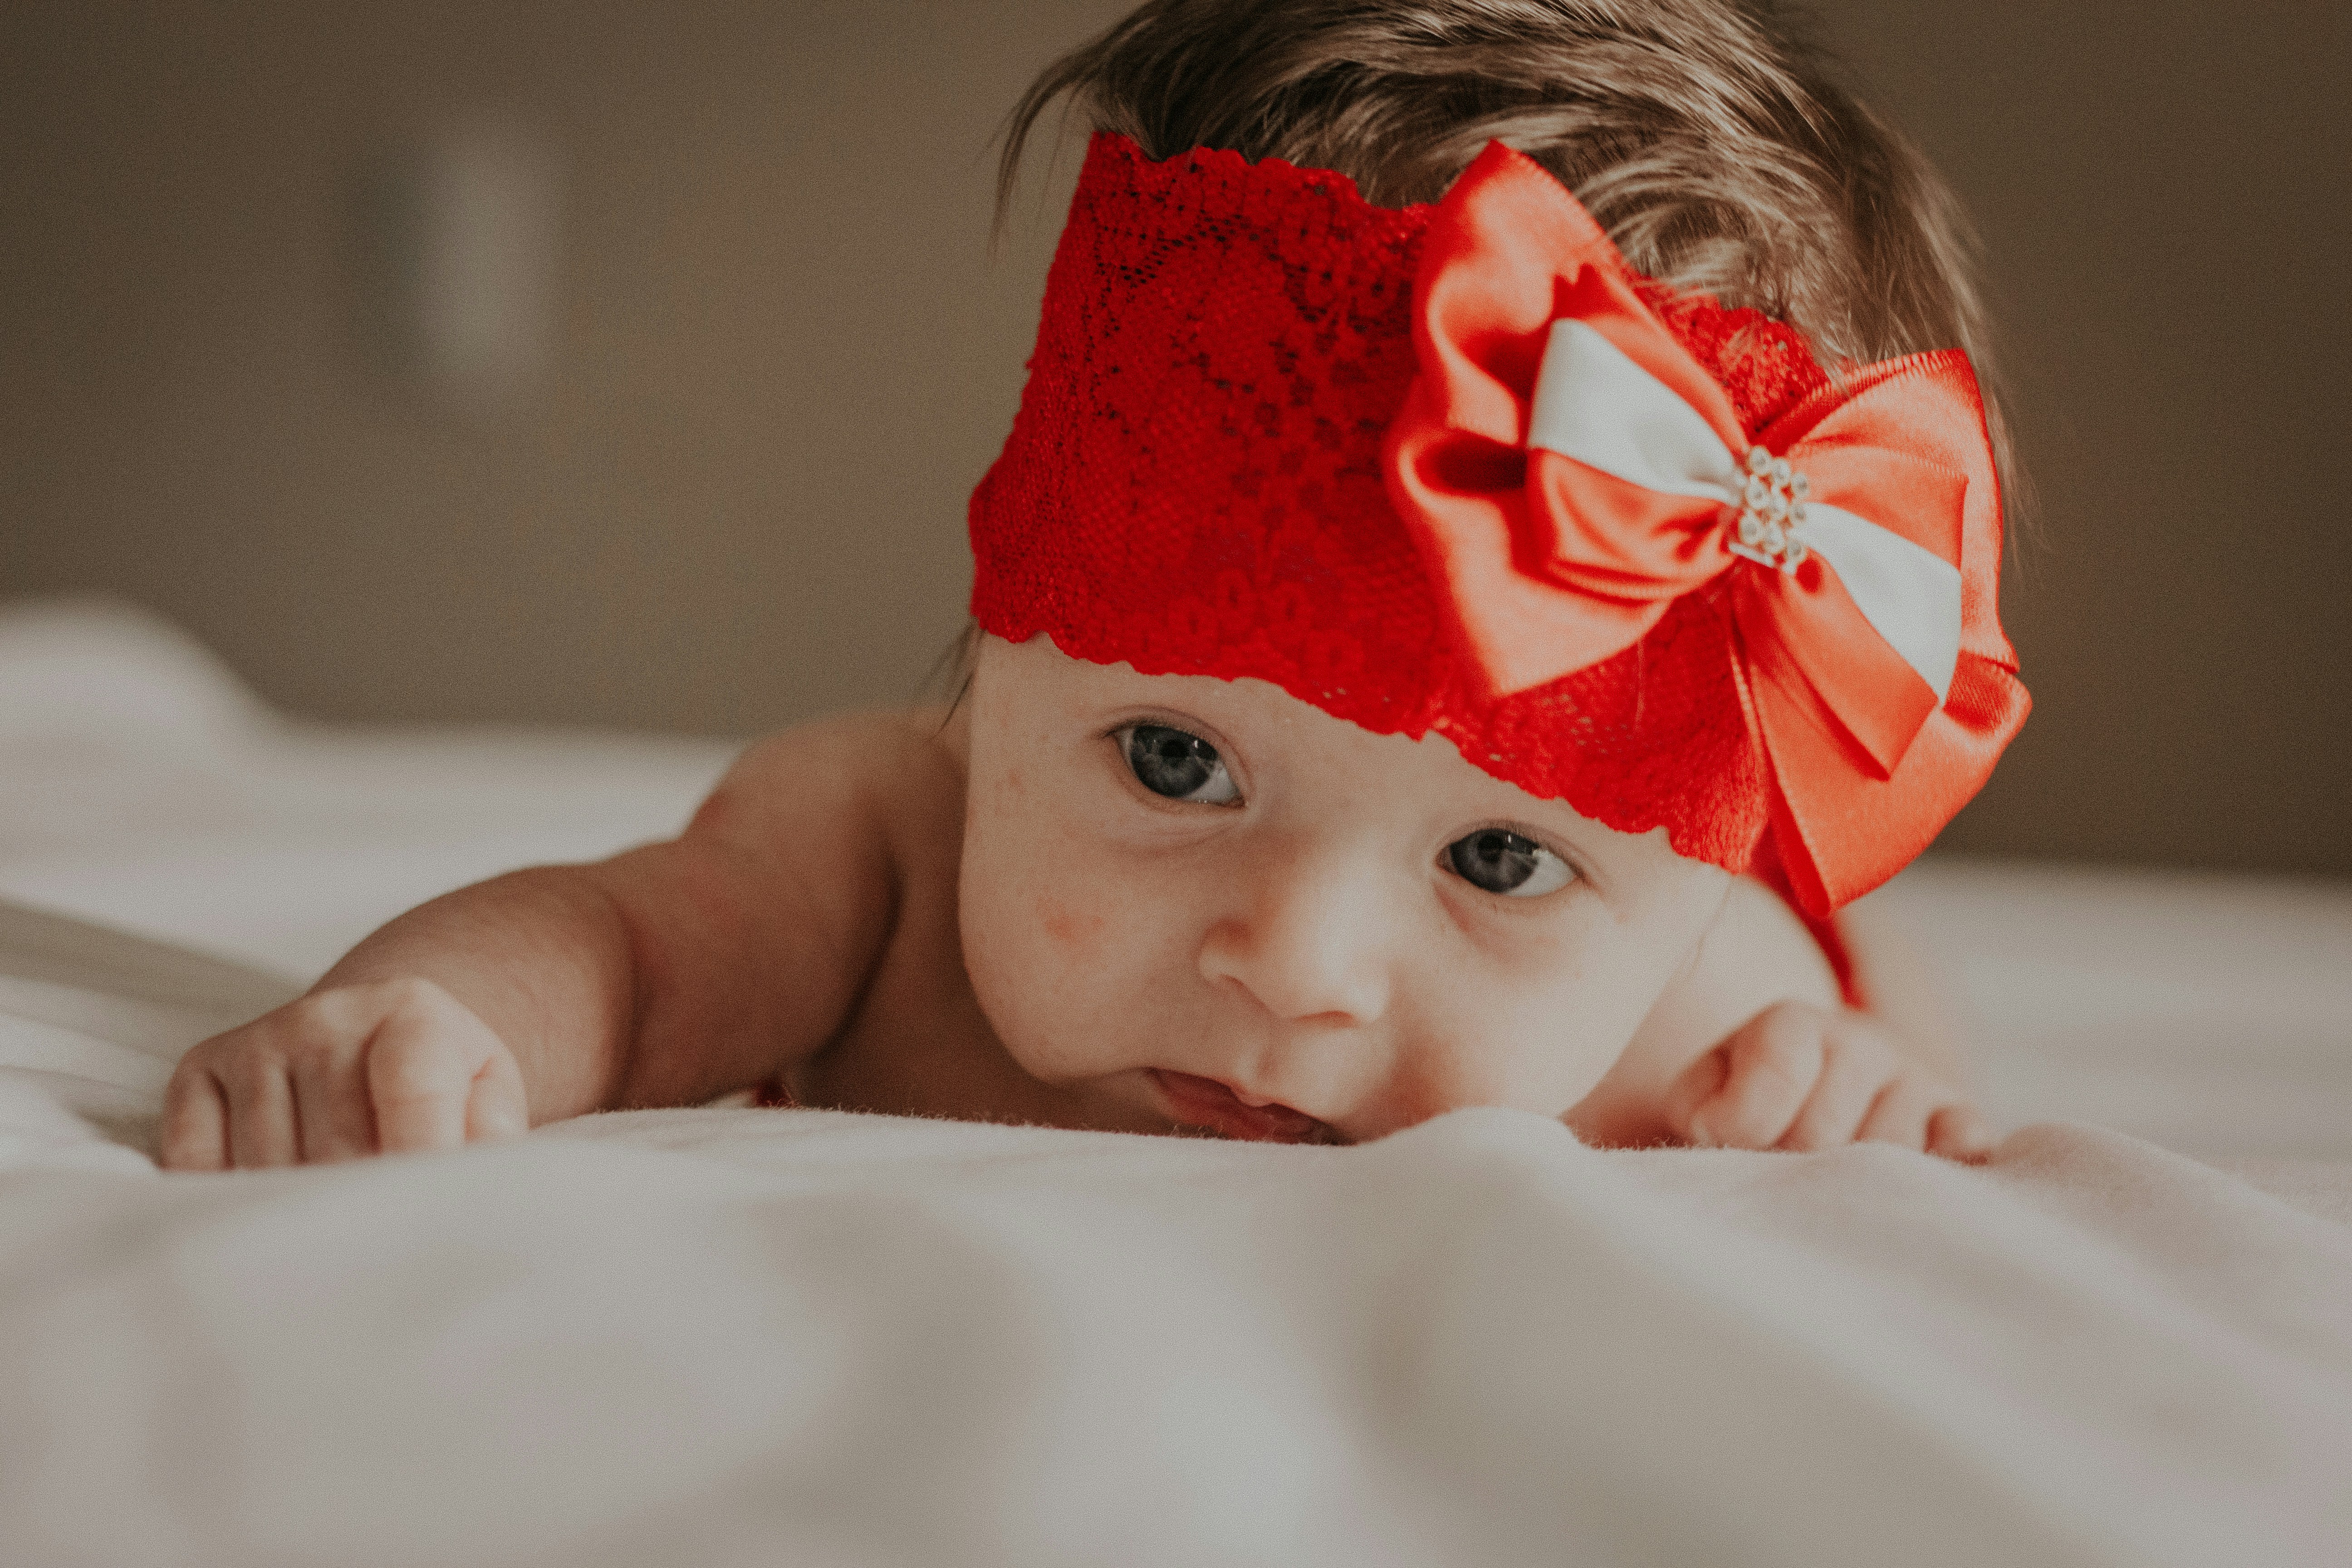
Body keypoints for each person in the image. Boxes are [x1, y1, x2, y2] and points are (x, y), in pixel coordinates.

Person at [158, 0, 2028, 1171]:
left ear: (1676, 893)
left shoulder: (1676, 1019)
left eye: (1500, 860)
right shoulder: (878, 852)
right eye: (1174, 762)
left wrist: (1858, 1080)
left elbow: (1885, 1066)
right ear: (1009, 655)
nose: (1291, 964)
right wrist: (423, 1026)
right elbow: (625, 957)